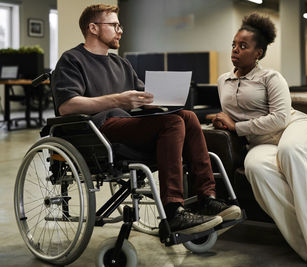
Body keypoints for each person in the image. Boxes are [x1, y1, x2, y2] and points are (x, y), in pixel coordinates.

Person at [51, 4, 241, 236]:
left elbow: (142, 97)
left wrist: (157, 99)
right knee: (172, 123)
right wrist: (117, 101)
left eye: (120, 25)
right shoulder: (72, 59)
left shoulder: (121, 64)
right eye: (114, 25)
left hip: (128, 125)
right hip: (97, 129)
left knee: (187, 117)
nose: (120, 30)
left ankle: (206, 198)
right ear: (93, 28)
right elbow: (66, 106)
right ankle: (173, 211)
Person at [212, 13, 307, 267]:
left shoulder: (271, 78)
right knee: (254, 168)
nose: (235, 50)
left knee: (289, 151)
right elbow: (232, 115)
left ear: (259, 53)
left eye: (243, 46)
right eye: (234, 44)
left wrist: (237, 126)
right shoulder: (223, 80)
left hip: (298, 129)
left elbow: (279, 119)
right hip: (262, 144)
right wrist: (221, 120)